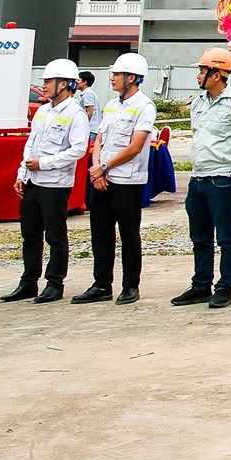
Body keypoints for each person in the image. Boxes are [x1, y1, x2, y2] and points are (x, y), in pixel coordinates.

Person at [174, 47, 231, 309]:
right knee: (199, 236)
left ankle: (225, 287)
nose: (198, 75)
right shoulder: (197, 104)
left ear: (218, 74)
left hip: (222, 179)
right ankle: (201, 285)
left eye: (202, 70)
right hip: (197, 179)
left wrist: (226, 164)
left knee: (226, 237)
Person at [73, 52, 156, 306]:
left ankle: (130, 285)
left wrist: (104, 166)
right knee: (100, 232)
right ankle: (101, 284)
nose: (112, 79)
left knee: (129, 234)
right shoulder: (111, 105)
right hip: (103, 178)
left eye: (117, 75)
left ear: (132, 78)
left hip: (127, 181)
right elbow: (99, 139)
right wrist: (97, 166)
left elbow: (135, 146)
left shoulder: (145, 107)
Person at [5, 58, 89, 304]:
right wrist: (23, 174)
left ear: (63, 84)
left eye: (48, 82)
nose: (44, 86)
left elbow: (78, 150)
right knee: (30, 234)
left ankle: (55, 283)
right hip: (34, 181)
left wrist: (45, 164)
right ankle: (29, 282)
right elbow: (31, 145)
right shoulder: (43, 111)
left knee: (55, 235)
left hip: (55, 183)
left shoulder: (76, 114)